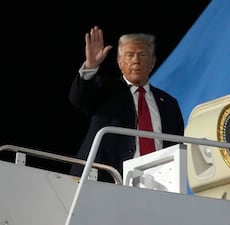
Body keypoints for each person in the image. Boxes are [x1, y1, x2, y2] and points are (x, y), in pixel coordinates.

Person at [69, 26, 184, 183]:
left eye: (142, 54)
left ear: (153, 62)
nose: (136, 60)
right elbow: (78, 98)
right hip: (107, 179)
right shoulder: (105, 89)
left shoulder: (169, 104)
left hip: (158, 184)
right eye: (130, 55)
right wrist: (90, 66)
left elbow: (177, 147)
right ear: (120, 62)